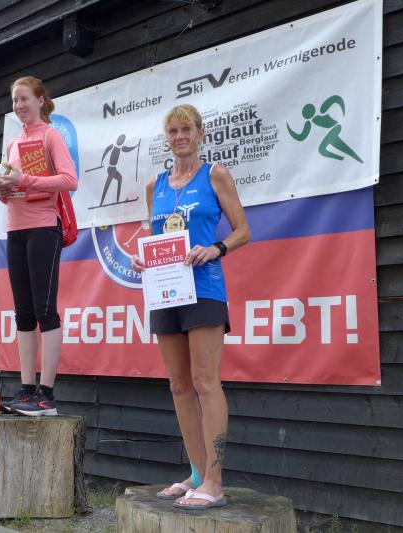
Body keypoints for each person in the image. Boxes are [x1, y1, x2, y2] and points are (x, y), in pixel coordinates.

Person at [132, 104, 250, 510]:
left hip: (205, 289)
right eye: (173, 131)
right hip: (166, 291)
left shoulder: (215, 175)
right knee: (178, 384)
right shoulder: (155, 185)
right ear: (167, 138)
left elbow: (243, 231)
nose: (180, 136)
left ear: (200, 134)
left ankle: (215, 482)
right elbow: (155, 236)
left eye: (186, 129)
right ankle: (197, 474)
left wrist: (215, 248)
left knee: (205, 381)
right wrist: (143, 258)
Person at [0, 75, 78, 416]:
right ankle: (27, 389)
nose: (19, 105)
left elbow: (69, 180)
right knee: (23, 312)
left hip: (44, 228)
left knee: (45, 310)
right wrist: (2, 190)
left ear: (41, 100)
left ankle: (47, 395)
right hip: (15, 230)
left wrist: (24, 179)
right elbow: (12, 189)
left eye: (24, 98)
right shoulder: (12, 144)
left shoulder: (51, 135)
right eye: (15, 100)